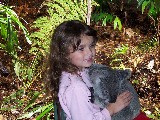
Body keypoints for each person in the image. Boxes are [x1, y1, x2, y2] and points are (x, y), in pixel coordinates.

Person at [47, 20, 132, 120]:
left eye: (91, 46)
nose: (89, 53)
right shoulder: (76, 88)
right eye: (81, 48)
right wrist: (111, 109)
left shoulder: (74, 71)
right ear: (64, 53)